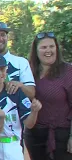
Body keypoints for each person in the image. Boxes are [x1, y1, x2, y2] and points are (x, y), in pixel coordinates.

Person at [0, 53, 42, 160]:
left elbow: (29, 124)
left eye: (2, 69)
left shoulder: (15, 92)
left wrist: (34, 111)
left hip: (13, 145)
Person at [24, 32, 72, 160]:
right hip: (33, 136)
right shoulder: (27, 71)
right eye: (44, 47)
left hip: (62, 137)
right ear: (36, 50)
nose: (48, 51)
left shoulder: (68, 71)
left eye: (51, 46)